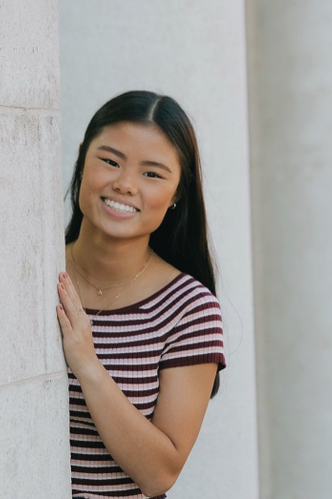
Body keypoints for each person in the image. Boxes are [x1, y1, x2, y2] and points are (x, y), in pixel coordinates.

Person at [56, 90, 226, 499]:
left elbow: (159, 474)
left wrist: (88, 366)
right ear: (82, 159)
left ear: (177, 194)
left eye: (152, 174)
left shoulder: (190, 309)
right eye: (110, 161)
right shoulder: (26, 273)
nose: (125, 184)